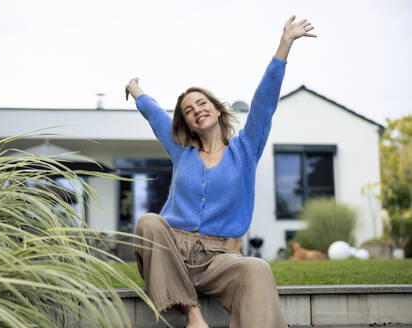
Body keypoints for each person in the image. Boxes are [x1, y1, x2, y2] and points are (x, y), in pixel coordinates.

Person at [125, 15, 316, 328]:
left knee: (257, 268)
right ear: (186, 122)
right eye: (188, 110)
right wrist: (136, 91)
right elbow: (155, 115)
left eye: (201, 103)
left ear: (215, 108)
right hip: (171, 254)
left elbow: (264, 104)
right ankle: (192, 313)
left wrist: (285, 45)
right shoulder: (182, 151)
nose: (196, 110)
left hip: (217, 258)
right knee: (149, 222)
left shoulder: (245, 150)